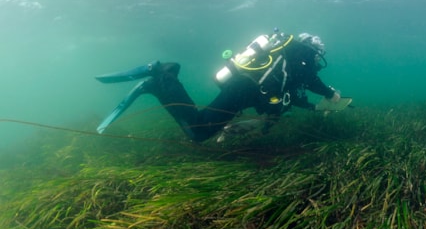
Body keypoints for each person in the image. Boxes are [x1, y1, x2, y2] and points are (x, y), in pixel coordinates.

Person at [95, 30, 342, 142]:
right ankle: (163, 76)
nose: (317, 63)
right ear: (313, 51)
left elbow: (292, 96)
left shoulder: (287, 64)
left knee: (203, 128)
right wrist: (331, 95)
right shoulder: (301, 57)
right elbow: (311, 80)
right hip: (243, 89)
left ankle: (157, 82)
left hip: (243, 89)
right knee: (199, 131)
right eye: (317, 57)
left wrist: (315, 108)